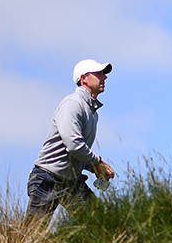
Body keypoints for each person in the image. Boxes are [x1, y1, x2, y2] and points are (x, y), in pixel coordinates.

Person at [25, 58, 117, 219]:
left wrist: (94, 167)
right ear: (84, 79)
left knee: (100, 222)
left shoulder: (92, 112)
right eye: (98, 74)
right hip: (46, 180)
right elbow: (74, 145)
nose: (104, 77)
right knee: (31, 235)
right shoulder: (73, 104)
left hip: (71, 182)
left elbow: (75, 151)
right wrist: (97, 162)